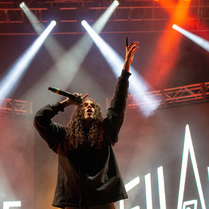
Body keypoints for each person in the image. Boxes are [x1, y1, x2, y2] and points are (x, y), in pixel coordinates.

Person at [34, 41, 139, 209]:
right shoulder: (63, 137)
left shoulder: (106, 132)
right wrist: (66, 103)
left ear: (97, 112)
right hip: (73, 203)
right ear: (78, 112)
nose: (89, 106)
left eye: (93, 106)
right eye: (85, 105)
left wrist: (126, 68)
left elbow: (118, 104)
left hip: (102, 202)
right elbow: (40, 119)